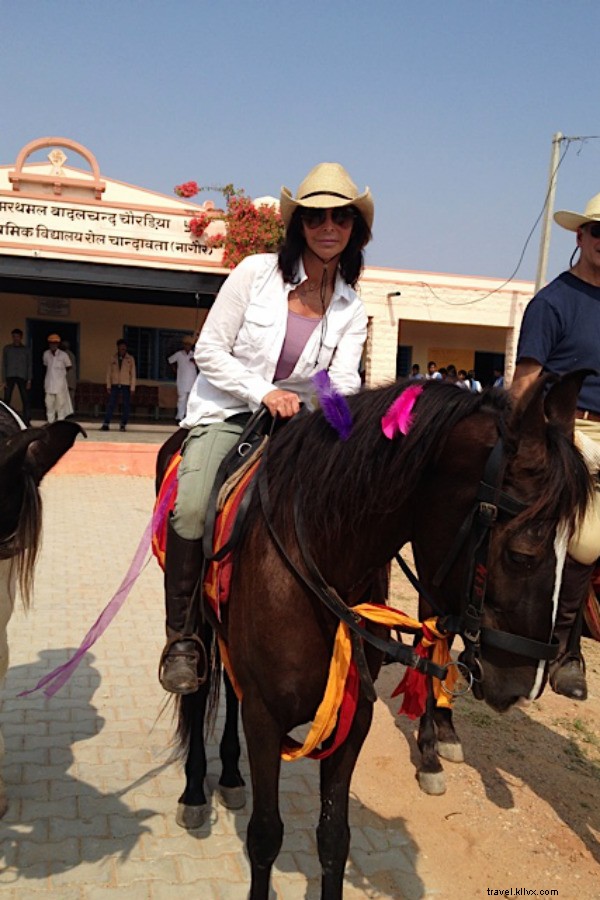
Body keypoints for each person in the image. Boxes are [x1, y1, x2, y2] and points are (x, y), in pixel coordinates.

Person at [159, 161, 373, 694]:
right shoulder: (256, 272)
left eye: (340, 218)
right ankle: (182, 638)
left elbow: (337, 381)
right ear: (299, 223)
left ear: (354, 230)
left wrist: (350, 428)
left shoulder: (353, 307)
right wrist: (264, 392)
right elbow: (209, 349)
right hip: (230, 412)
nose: (328, 227)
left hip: (301, 426)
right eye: (316, 216)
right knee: (191, 505)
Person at [512, 190, 600, 701]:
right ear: (581, 236)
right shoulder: (553, 301)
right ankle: (565, 649)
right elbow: (527, 380)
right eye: (598, 232)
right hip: (569, 431)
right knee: (587, 538)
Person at [101, 339, 136, 432]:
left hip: (126, 384)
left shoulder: (130, 359)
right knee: (111, 404)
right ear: (118, 348)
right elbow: (109, 373)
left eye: (124, 348)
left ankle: (123, 424)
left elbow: (133, 374)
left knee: (126, 405)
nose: (122, 350)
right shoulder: (113, 358)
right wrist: (108, 385)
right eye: (121, 348)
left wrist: (132, 387)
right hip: (115, 384)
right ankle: (106, 423)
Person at [2, 328, 32, 425]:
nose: (16, 339)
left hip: (22, 376)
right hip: (9, 375)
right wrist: (3, 380)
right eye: (14, 337)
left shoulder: (26, 350)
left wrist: (29, 379)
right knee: (6, 399)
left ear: (21, 337)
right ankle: (4, 419)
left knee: (25, 398)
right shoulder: (7, 349)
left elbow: (29, 365)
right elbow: (4, 364)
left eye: (17, 337)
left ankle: (27, 420)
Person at [168, 335, 198, 423]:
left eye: (189, 344)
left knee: (191, 400)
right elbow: (170, 361)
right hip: (181, 380)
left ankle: (188, 418)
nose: (187, 346)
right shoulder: (179, 354)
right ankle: (179, 417)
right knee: (182, 399)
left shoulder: (194, 354)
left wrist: (194, 361)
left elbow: (201, 366)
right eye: (186, 344)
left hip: (192, 380)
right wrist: (174, 369)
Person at [43, 334, 72, 423]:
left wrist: (60, 374)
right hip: (49, 384)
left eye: (55, 343)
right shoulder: (46, 354)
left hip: (60, 385)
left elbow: (69, 366)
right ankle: (50, 422)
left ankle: (60, 424)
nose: (53, 345)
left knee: (60, 406)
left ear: (58, 344)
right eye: (51, 343)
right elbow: (46, 365)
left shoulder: (64, 355)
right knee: (49, 405)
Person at [61, 339, 77, 413]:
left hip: (68, 380)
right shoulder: (70, 354)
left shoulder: (65, 355)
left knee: (68, 398)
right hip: (69, 380)